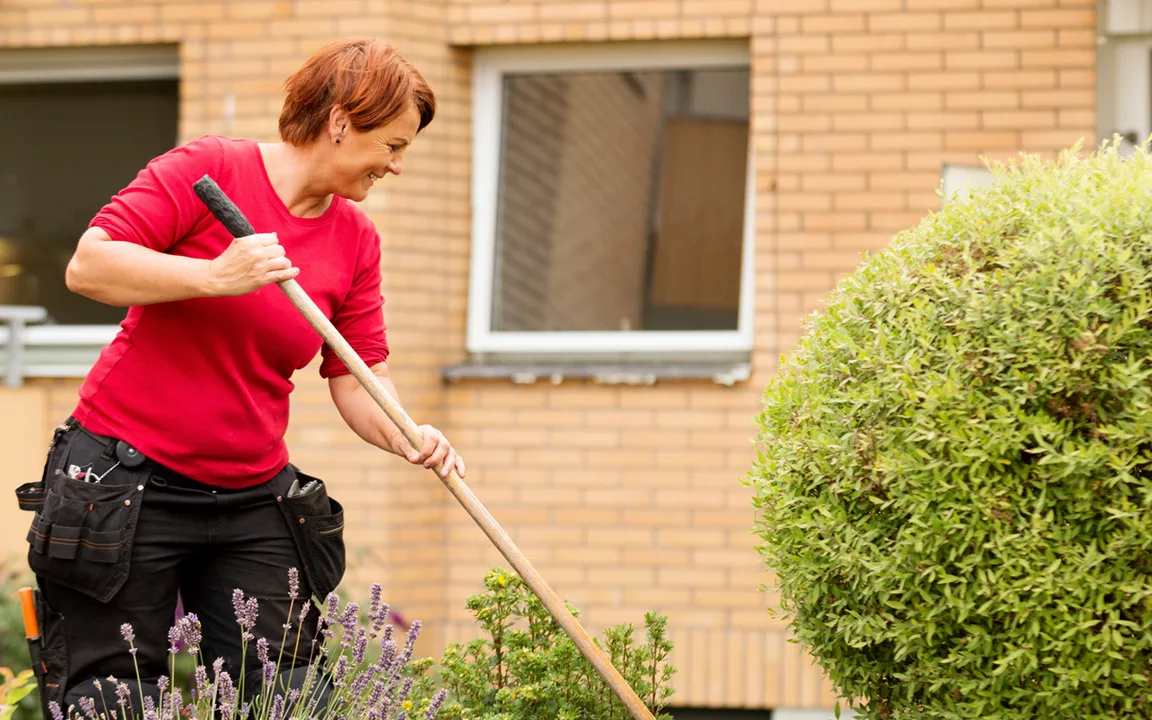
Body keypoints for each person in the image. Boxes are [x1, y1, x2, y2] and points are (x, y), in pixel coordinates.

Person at [17, 37, 465, 717]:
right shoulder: (209, 168)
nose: (397, 166)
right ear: (342, 121)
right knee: (111, 699)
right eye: (393, 145)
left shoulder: (354, 239)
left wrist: (407, 436)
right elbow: (90, 266)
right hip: (125, 480)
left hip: (252, 495)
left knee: (283, 694)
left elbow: (356, 372)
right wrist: (214, 275)